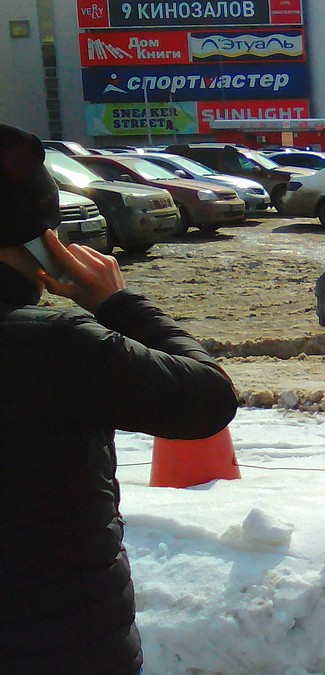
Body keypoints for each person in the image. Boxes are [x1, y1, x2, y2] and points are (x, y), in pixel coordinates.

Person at [0, 124, 239, 673]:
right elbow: (205, 399)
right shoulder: (55, 346)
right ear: (44, 241)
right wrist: (118, 304)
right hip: (67, 646)